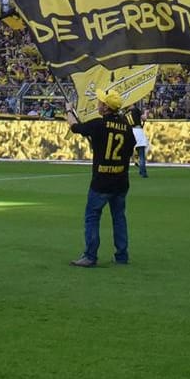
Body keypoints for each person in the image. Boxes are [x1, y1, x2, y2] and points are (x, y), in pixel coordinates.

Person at [65, 92, 135, 266]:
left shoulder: (99, 124)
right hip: (120, 181)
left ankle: (90, 256)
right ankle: (122, 255)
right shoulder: (126, 127)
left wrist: (68, 111)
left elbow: (75, 127)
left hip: (101, 181)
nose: (98, 103)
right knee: (119, 218)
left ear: (106, 107)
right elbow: (130, 147)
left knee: (92, 217)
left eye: (101, 102)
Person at [129, 105, 150, 178]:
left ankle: (135, 160)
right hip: (138, 131)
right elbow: (144, 118)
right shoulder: (136, 109)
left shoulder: (126, 113)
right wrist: (146, 113)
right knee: (142, 154)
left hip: (130, 132)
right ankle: (143, 172)